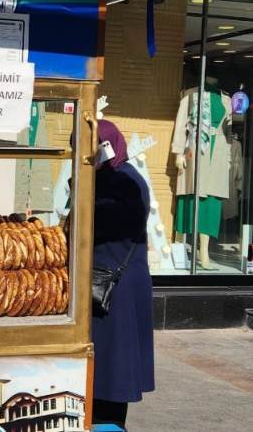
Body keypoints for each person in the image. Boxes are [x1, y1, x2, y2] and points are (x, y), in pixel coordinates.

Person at [91, 120, 154, 431]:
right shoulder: (111, 178)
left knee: (112, 368)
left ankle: (109, 424)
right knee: (106, 365)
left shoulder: (123, 181)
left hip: (114, 287)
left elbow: (104, 230)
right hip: (112, 281)